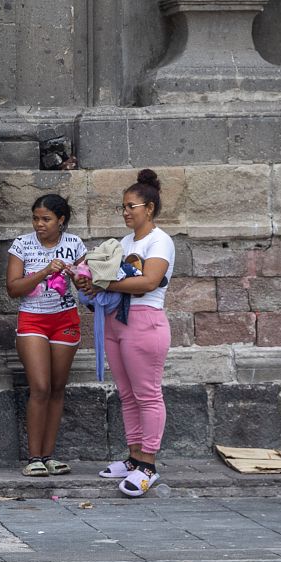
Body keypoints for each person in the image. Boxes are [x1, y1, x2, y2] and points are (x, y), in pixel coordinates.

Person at [75, 169, 175, 498]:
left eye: (131, 206)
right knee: (127, 394)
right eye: (123, 206)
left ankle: (148, 463)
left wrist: (105, 282)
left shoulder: (160, 241)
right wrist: (85, 278)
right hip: (116, 319)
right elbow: (105, 275)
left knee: (147, 394)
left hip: (145, 320)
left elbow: (148, 282)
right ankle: (133, 456)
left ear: (149, 207)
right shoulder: (124, 242)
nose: (126, 212)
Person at [6, 194, 87, 477]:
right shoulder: (22, 244)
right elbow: (13, 289)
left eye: (46, 219)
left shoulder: (74, 244)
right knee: (40, 386)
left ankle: (50, 455)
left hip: (65, 319)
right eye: (36, 218)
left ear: (60, 221)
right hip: (33, 320)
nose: (39, 224)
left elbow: (86, 283)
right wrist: (43, 271)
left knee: (56, 387)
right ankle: (34, 456)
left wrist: (80, 276)